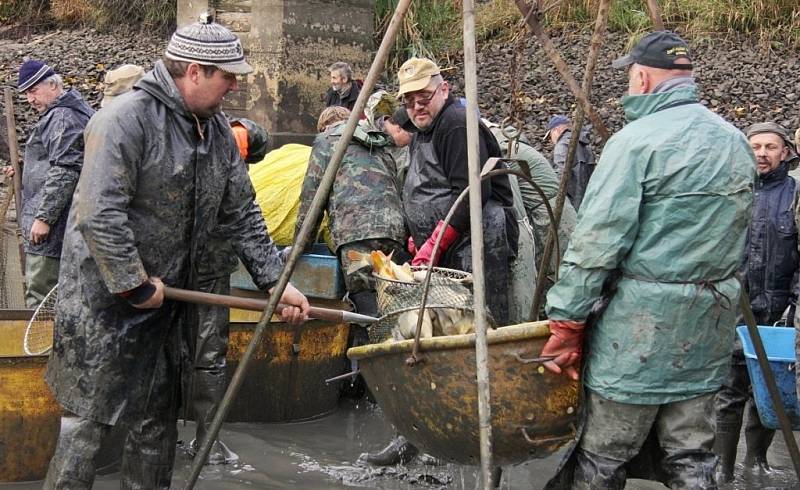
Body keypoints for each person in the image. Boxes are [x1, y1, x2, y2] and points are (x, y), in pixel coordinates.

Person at [43, 16, 310, 489]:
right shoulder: (124, 120)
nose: (234, 87)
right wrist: (133, 282)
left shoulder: (218, 133)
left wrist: (277, 281)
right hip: (105, 304)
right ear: (193, 71)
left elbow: (241, 213)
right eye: (227, 77)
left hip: (167, 303)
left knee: (155, 424)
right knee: (87, 424)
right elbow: (98, 213)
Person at [540, 31, 755, 489]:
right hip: (708, 322)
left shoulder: (635, 143)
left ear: (641, 77)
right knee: (692, 453)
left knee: (604, 453)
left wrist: (566, 322)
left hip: (638, 333)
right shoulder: (736, 141)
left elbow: (595, 245)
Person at [397, 57, 517, 326]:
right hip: (450, 245)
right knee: (452, 324)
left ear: (444, 89)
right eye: (408, 101)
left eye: (424, 97)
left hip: (477, 240)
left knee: (481, 321)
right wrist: (416, 236)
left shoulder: (455, 125)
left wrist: (435, 242)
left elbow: (471, 190)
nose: (416, 107)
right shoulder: (421, 132)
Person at [714, 121, 799, 482]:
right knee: (729, 390)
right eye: (755, 147)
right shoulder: (730, 191)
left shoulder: (795, 195)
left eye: (770, 147)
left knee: (768, 389)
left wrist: (794, 301)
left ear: (785, 153)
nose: (762, 153)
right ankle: (723, 467)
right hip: (733, 306)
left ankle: (756, 463)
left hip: (778, 309)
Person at [296, 94, 408, 319]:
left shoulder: (326, 140)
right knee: (393, 296)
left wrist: (300, 247)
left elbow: (312, 200)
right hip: (394, 230)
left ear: (323, 127)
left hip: (355, 234)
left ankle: (367, 347)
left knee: (365, 303)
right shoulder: (377, 141)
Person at [3, 60, 93, 307]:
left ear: (53, 85)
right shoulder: (68, 112)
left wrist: (44, 218)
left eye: (33, 91)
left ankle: (42, 347)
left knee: (41, 298)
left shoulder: (63, 117)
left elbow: (66, 169)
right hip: (64, 221)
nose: (29, 100)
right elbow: (56, 162)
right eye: (26, 94)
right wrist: (23, 171)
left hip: (53, 230)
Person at [544, 114, 595, 211]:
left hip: (571, 201)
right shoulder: (584, 145)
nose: (551, 140)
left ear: (557, 130)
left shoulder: (562, 145)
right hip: (587, 201)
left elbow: (561, 174)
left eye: (550, 135)